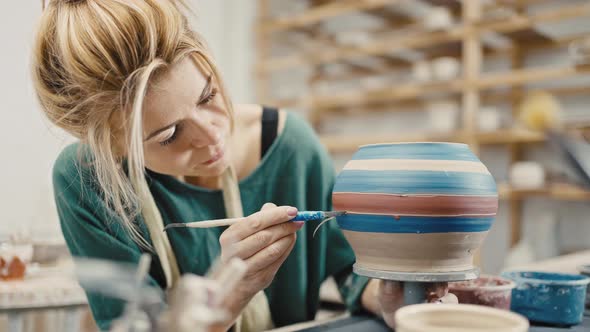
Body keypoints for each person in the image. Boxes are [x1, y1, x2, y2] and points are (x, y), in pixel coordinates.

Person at [32, 1, 452, 331]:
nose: (213, 134)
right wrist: (227, 296)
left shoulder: (292, 147)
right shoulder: (86, 182)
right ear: (112, 149)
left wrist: (387, 297)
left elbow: (349, 267)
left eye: (208, 95)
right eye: (169, 136)